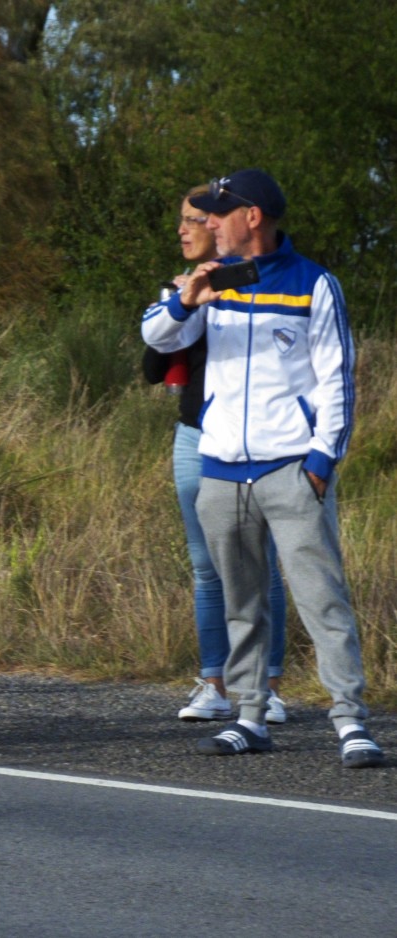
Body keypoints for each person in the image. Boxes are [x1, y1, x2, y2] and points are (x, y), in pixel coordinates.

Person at [142, 169, 384, 768]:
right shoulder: (210, 284)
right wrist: (187, 298)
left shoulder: (314, 284)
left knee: (320, 596)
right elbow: (156, 338)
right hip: (221, 467)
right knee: (241, 599)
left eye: (218, 214)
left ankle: (350, 720)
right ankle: (249, 716)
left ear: (253, 217)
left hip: (291, 469)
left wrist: (322, 461)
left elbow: (337, 380)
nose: (207, 224)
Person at [142, 185, 288, 724]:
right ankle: (215, 684)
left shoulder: (260, 280)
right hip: (195, 436)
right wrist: (185, 303)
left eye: (194, 219)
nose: (183, 229)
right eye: (180, 220)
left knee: (261, 567)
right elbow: (152, 367)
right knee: (207, 568)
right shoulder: (183, 288)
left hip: (254, 440)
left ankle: (269, 687)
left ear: (223, 223)